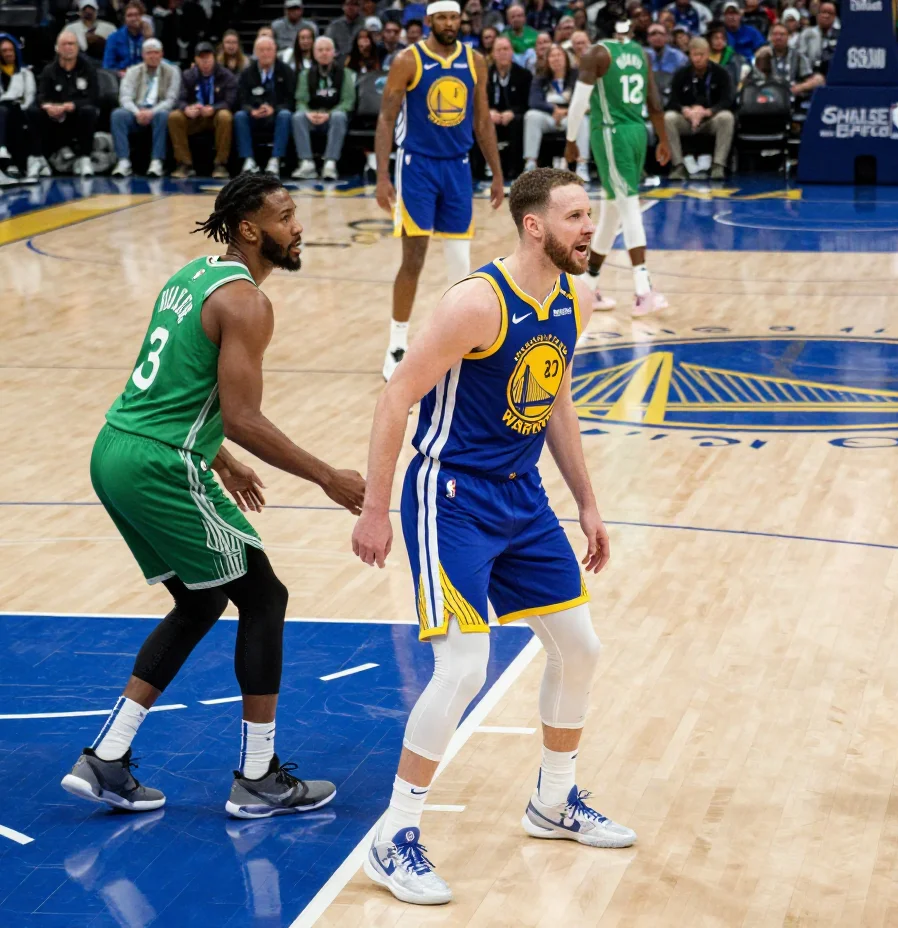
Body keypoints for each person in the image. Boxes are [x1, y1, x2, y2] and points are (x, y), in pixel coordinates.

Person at [351, 168, 628, 906]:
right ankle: (393, 835)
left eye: (590, 216)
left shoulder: (580, 297)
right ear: (534, 226)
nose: (588, 230)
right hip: (450, 498)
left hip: (522, 495)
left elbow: (556, 398)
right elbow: (396, 398)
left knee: (580, 648)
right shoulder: (475, 303)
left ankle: (553, 800)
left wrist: (588, 504)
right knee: (463, 664)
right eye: (575, 217)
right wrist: (376, 508)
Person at [64, 172, 363, 820]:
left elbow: (174, 383)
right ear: (251, 229)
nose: (298, 226)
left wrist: (216, 452)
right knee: (264, 597)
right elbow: (245, 414)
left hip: (116, 449)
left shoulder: (188, 277)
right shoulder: (247, 304)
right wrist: (327, 477)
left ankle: (106, 757)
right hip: (161, 465)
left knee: (202, 601)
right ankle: (257, 778)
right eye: (285, 216)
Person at [375, 0, 506, 381]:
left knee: (460, 263)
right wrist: (382, 175)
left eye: (455, 17)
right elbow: (386, 118)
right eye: (443, 18)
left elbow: (482, 120)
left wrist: (497, 174)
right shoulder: (408, 60)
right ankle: (397, 343)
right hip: (417, 166)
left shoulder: (475, 60)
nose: (450, 23)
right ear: (430, 21)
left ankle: (459, 339)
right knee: (413, 258)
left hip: (458, 167)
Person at [566, 20, 672, 314]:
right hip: (638, 131)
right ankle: (603, 287)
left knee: (623, 207)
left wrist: (571, 139)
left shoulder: (596, 54)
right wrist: (663, 139)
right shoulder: (640, 52)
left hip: (612, 133)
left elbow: (579, 102)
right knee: (616, 210)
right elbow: (654, 100)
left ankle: (636, 291)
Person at [30, 30, 101, 178]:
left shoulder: (87, 68)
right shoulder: (49, 70)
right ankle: (37, 159)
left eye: (72, 44)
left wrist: (73, 105)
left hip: (76, 114)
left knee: (89, 110)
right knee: (33, 111)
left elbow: (93, 97)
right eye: (64, 44)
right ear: (57, 48)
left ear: (77, 47)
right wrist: (47, 106)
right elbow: (41, 96)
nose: (68, 47)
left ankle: (84, 158)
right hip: (54, 116)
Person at [664, 36, 734, 180]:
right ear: (689, 55)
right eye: (694, 55)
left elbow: (728, 100)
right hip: (687, 119)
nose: (698, 59)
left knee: (727, 117)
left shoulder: (721, 73)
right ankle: (678, 166)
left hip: (710, 119)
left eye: (701, 55)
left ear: (708, 54)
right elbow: (672, 101)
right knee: (668, 118)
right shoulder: (681, 74)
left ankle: (718, 165)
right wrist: (686, 111)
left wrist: (708, 111)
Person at [113, 38, 180, 177]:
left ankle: (157, 161)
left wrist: (151, 112)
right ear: (143, 55)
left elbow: (171, 100)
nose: (153, 56)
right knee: (118, 114)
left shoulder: (172, 71)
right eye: (149, 53)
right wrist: (137, 112)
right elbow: (124, 98)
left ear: (162, 54)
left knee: (163, 115)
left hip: (157, 111)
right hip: (136, 112)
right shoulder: (132, 71)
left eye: (156, 53)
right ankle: (123, 161)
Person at [168, 41, 236, 178]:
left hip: (215, 117)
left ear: (214, 58)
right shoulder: (187, 75)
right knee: (174, 116)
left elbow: (230, 101)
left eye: (208, 57)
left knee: (225, 116)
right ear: (196, 59)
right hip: (195, 117)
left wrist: (214, 108)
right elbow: (179, 99)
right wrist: (186, 108)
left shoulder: (226, 75)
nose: (205, 61)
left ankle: (220, 165)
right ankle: (184, 164)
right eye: (201, 58)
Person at [290, 35, 354, 179]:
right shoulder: (305, 74)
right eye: (320, 50)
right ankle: (307, 163)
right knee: (298, 116)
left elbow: (348, 101)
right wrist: (308, 113)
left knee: (339, 116)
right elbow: (300, 100)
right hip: (312, 118)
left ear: (334, 52)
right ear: (314, 53)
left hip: (333, 119)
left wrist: (329, 114)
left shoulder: (345, 73)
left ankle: (330, 164)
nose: (324, 53)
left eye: (327, 49)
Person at [235, 36, 297, 177]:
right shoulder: (247, 73)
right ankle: (248, 160)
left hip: (276, 115)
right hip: (254, 115)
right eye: (261, 50)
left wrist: (273, 109)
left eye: (269, 49)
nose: (265, 53)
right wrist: (251, 110)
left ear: (275, 51)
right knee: (240, 116)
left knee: (285, 115)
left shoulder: (286, 71)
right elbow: (241, 99)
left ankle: (275, 160)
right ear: (255, 53)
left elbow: (290, 100)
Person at [484, 35, 533, 172]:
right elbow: (479, 100)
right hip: (492, 116)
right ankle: (479, 169)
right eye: (499, 50)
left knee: (518, 122)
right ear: (493, 54)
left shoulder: (524, 75)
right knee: (481, 120)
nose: (503, 53)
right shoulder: (485, 75)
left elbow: (528, 102)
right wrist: (489, 111)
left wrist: (513, 112)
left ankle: (514, 169)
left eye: (506, 49)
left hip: (515, 116)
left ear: (512, 52)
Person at [523, 42, 574, 172]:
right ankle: (530, 162)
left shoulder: (575, 76)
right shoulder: (540, 79)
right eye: (552, 56)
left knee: (582, 120)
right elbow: (533, 101)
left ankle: (581, 164)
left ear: (566, 58)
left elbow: (581, 100)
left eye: (559, 55)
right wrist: (553, 110)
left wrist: (566, 111)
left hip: (570, 116)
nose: (556, 59)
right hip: (549, 117)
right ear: (547, 60)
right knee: (531, 115)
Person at [0, 34, 36, 179]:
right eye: (4, 51)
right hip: (2, 111)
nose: (8, 53)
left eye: (11, 50)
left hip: (19, 110)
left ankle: (5, 153)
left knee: (6, 111)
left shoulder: (25, 73)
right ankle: (5, 159)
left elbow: (30, 97)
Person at [104, 1, 149, 74]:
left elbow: (154, 61)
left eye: (137, 15)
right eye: (129, 15)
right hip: (122, 77)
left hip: (144, 76)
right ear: (125, 19)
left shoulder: (147, 35)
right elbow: (107, 66)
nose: (133, 19)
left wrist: (148, 38)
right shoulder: (113, 38)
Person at [645, 22, 687, 91]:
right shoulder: (643, 55)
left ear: (667, 37)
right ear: (648, 38)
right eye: (653, 34)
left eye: (661, 34)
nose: (657, 37)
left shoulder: (679, 57)